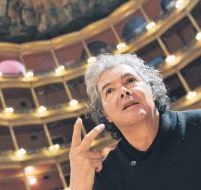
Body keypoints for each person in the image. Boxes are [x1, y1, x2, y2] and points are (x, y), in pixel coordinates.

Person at [69, 54, 201, 190]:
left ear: (152, 90)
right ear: (105, 114)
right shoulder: (107, 176)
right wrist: (78, 185)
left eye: (130, 80)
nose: (123, 91)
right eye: (109, 91)